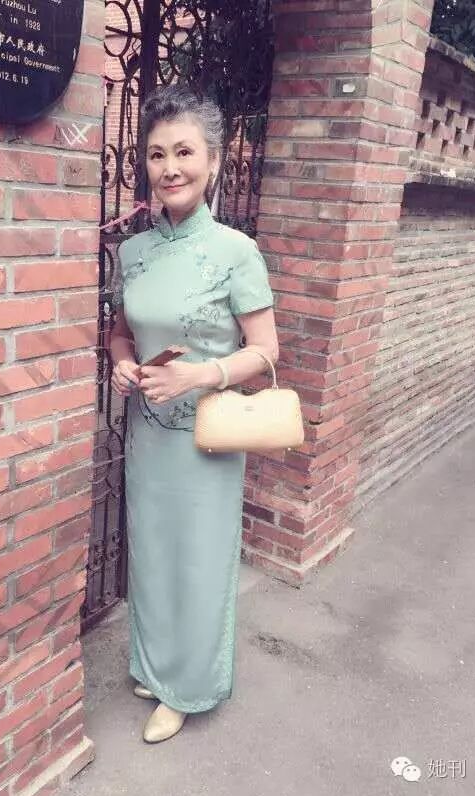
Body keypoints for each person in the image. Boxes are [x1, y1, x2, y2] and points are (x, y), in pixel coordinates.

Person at [109, 84, 279, 744]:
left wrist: (200, 374)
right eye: (157, 154)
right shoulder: (133, 252)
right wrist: (124, 362)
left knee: (198, 562)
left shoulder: (237, 251)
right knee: (152, 556)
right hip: (148, 436)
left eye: (184, 152)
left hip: (206, 439)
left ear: (212, 160)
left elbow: (265, 353)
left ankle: (187, 686)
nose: (170, 167)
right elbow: (120, 333)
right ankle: (154, 666)